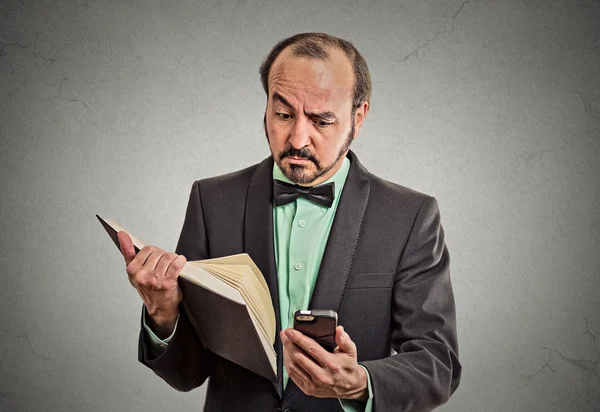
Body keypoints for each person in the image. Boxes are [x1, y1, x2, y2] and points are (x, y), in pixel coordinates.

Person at [118, 32, 461, 412]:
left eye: (322, 120)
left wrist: (358, 383)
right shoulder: (211, 202)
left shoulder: (409, 216)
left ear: (358, 117)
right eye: (283, 114)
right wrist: (163, 313)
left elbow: (438, 362)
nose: (298, 138)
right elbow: (186, 374)